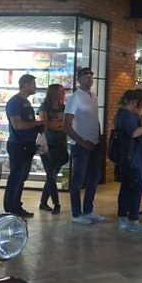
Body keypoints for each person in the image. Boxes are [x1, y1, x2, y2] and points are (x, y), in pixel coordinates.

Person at [64, 67, 104, 225]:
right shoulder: (74, 98)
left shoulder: (93, 96)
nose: (89, 78)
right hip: (80, 145)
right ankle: (76, 213)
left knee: (94, 177)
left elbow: (95, 119)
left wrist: (99, 137)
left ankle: (88, 209)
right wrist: (81, 142)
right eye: (85, 75)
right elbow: (66, 125)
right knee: (78, 178)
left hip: (94, 143)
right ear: (78, 79)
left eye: (91, 75)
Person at [3, 74, 45, 217]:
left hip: (27, 145)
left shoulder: (25, 102)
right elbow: (18, 125)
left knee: (21, 178)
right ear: (26, 85)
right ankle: (11, 208)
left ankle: (16, 206)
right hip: (18, 145)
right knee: (16, 178)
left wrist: (38, 127)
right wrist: (37, 123)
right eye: (34, 84)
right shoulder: (14, 102)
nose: (36, 87)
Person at [115, 89, 142, 233]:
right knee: (138, 186)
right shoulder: (127, 115)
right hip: (132, 158)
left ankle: (123, 216)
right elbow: (133, 133)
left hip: (125, 156)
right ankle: (133, 219)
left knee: (126, 185)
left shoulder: (120, 113)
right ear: (134, 101)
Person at [38, 84, 68, 215]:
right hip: (46, 145)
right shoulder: (44, 107)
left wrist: (55, 125)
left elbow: (68, 124)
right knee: (50, 174)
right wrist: (60, 125)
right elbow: (45, 125)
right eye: (61, 91)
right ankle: (56, 203)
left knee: (53, 175)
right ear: (54, 93)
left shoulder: (63, 107)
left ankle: (43, 202)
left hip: (60, 145)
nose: (63, 93)